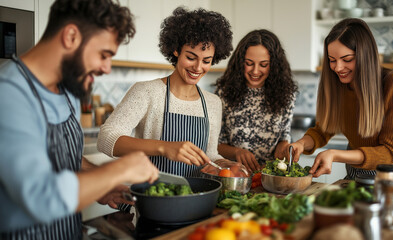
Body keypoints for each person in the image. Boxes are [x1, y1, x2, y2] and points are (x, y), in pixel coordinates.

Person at [0, 0, 159, 238]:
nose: (107, 68)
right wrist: (116, 170)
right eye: (104, 55)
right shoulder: (9, 94)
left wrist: (100, 186)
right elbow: (40, 197)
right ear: (71, 36)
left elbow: (68, 158)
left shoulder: (68, 90)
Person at [97, 7, 234, 177]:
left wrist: (225, 164)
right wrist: (164, 147)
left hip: (198, 197)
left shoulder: (213, 102)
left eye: (206, 61)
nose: (198, 68)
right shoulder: (147, 92)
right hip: (153, 196)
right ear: (176, 50)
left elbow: (210, 155)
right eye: (191, 58)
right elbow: (105, 139)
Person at [287, 18, 393, 185]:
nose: (338, 67)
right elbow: (323, 129)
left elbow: (391, 151)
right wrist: (302, 144)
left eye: (347, 59)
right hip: (355, 172)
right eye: (332, 60)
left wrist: (335, 154)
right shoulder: (337, 85)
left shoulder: (392, 83)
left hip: (390, 175)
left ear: (365, 55)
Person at [215, 29, 298, 172]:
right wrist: (237, 152)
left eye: (263, 64)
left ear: (274, 65)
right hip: (235, 174)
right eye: (249, 63)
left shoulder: (286, 93)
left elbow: (284, 135)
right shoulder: (224, 93)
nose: (255, 71)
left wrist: (283, 148)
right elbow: (216, 145)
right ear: (240, 62)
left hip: (269, 174)